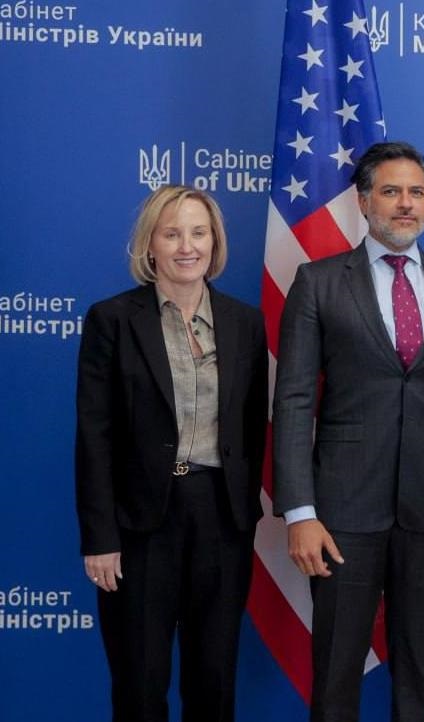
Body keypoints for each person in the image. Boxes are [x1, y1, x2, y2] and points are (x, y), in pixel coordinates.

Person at [272, 141, 424, 722]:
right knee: (336, 671)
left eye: (417, 192)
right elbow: (294, 402)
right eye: (392, 191)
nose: (406, 204)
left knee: (419, 670)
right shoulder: (318, 281)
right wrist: (300, 513)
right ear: (364, 201)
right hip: (342, 513)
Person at [75, 185, 268, 721]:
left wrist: (243, 517)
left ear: (215, 242)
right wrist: (100, 537)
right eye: (172, 234)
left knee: (214, 683)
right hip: (140, 524)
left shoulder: (245, 323)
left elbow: (253, 428)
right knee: (140, 684)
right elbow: (94, 436)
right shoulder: (112, 320)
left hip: (221, 520)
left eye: (199, 233)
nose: (187, 246)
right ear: (150, 245)